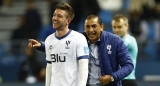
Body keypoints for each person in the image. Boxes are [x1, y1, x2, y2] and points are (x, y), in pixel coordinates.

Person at [29, 15, 133, 86]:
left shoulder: (115, 41)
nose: (90, 30)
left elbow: (129, 65)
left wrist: (112, 77)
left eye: (94, 26)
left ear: (101, 27)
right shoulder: (78, 38)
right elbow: (59, 44)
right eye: (87, 27)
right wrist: (41, 45)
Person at [28, 2, 89, 86]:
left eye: (59, 16)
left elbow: (84, 65)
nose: (55, 18)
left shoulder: (78, 38)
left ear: (68, 21)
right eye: (54, 15)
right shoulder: (49, 39)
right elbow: (49, 67)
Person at [112, 14, 138, 86]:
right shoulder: (115, 41)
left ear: (127, 26)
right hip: (117, 80)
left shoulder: (130, 40)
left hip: (127, 81)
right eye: (114, 27)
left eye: (119, 27)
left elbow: (116, 49)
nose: (116, 30)